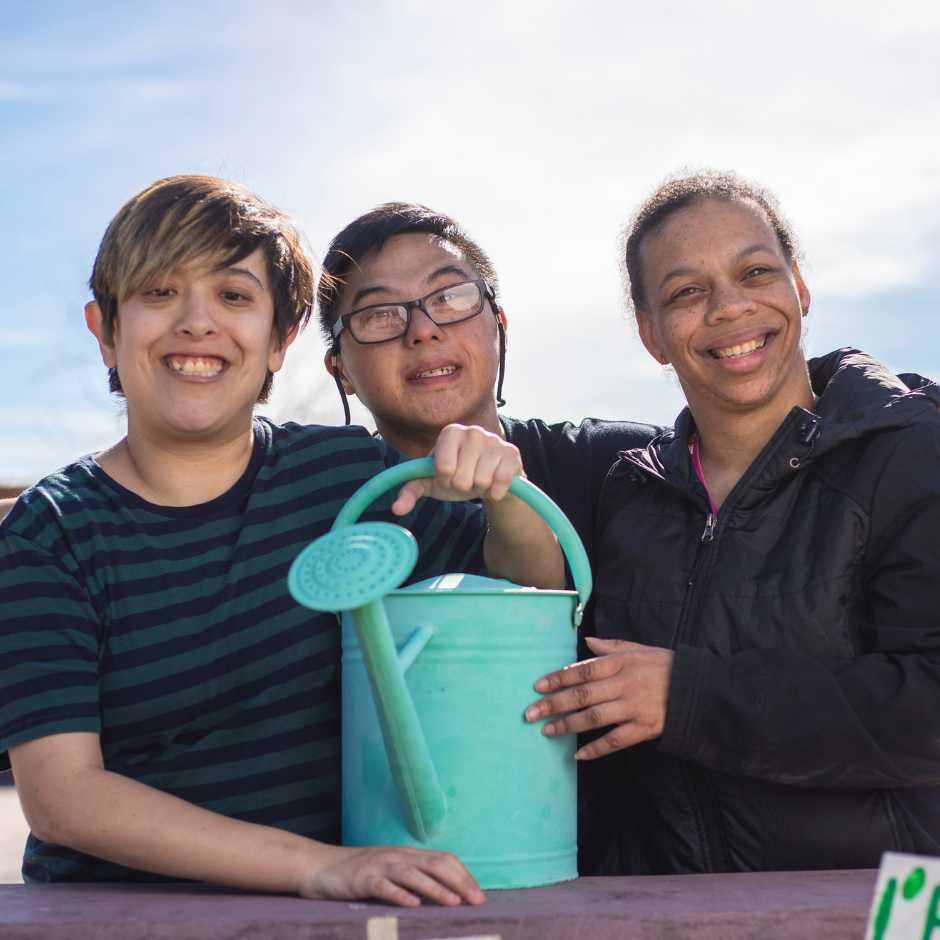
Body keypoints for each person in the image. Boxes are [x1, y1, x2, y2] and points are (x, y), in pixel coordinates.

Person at [0, 176, 563, 904]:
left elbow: (523, 593)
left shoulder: (349, 480)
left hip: (343, 916)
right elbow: (63, 797)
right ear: (105, 329)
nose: (197, 323)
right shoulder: (51, 531)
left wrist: (503, 501)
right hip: (120, 913)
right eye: (159, 293)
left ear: (279, 340)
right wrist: (315, 866)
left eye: (234, 297)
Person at [523, 172, 940, 874]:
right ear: (652, 334)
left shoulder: (913, 453)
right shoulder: (633, 494)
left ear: (799, 288)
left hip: (896, 906)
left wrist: (690, 698)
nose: (729, 306)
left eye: (754, 272)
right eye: (688, 291)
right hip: (683, 916)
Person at [318, 203, 663, 568]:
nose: (423, 330)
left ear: (501, 327)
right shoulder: (312, 505)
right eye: (381, 314)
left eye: (449, 297)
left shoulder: (627, 465)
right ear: (342, 371)